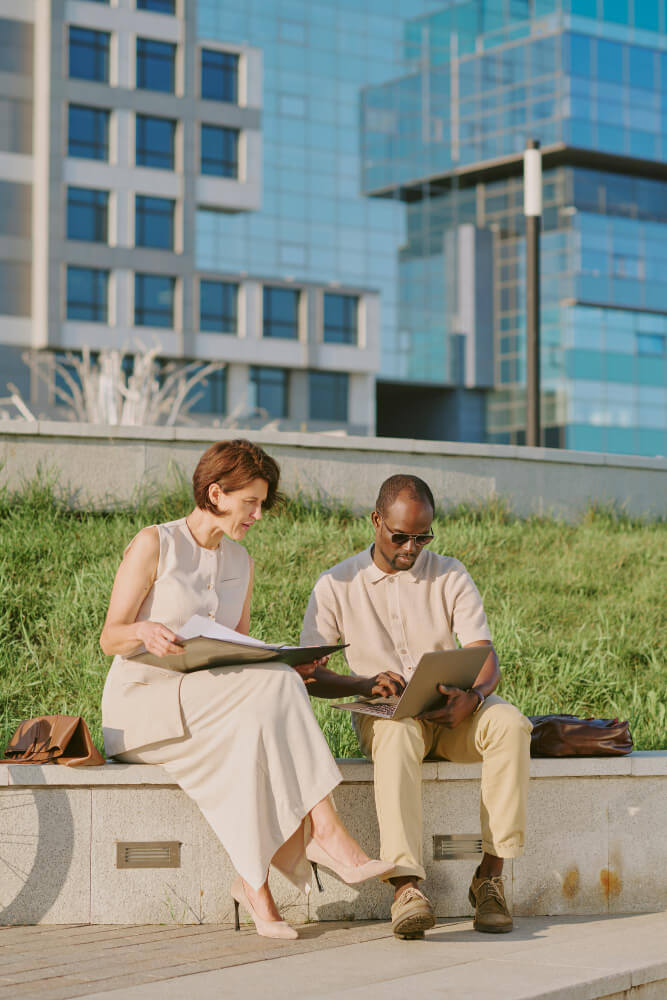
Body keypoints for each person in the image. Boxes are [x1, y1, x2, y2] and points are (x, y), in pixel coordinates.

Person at [100, 439, 391, 940]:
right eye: (250, 502)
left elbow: (234, 650)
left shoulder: (241, 562)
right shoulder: (156, 543)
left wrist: (285, 665)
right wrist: (143, 632)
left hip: (207, 705)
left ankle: (252, 883)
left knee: (265, 710)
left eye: (261, 504)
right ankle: (323, 834)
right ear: (216, 493)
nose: (257, 514)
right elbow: (110, 637)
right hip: (141, 707)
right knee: (268, 698)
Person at [300, 474, 532, 940]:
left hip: (455, 714)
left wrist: (476, 697)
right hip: (388, 718)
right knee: (397, 731)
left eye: (422, 536)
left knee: (510, 723)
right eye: (400, 536)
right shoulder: (336, 584)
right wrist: (364, 682)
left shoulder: (449, 572)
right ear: (376, 521)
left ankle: (490, 876)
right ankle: (406, 887)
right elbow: (310, 674)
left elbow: (486, 653)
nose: (411, 547)